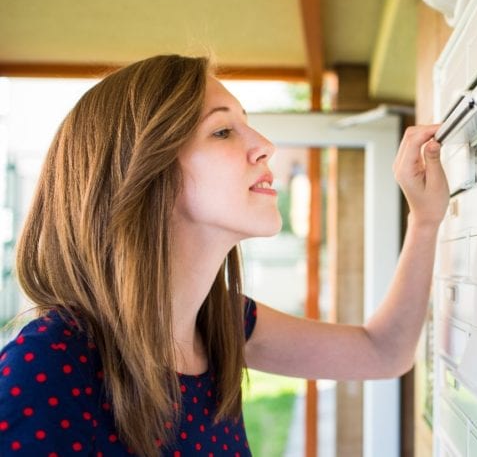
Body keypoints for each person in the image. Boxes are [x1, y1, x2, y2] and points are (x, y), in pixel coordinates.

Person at [0, 55, 448, 456]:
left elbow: (384, 353)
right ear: (143, 171)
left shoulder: (223, 325)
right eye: (222, 131)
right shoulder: (49, 364)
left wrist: (425, 220)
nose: (265, 145)